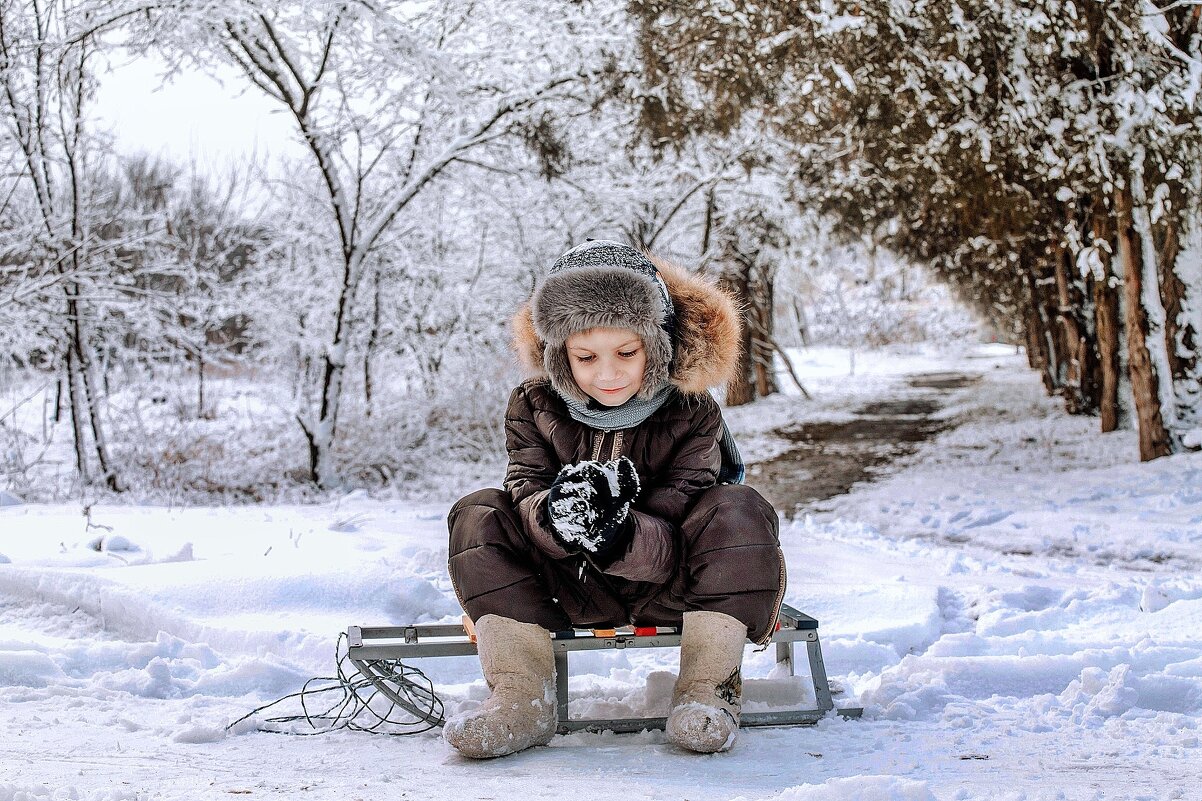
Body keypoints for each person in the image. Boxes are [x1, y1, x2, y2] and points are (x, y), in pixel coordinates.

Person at [444, 240, 786, 758]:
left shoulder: (691, 412)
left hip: (672, 585)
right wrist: (557, 519)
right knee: (479, 513)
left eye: (627, 352)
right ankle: (522, 700)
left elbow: (682, 512)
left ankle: (707, 692)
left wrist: (618, 535)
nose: (608, 373)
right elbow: (525, 487)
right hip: (565, 587)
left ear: (658, 343)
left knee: (738, 508)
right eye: (586, 357)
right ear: (560, 356)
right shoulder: (532, 405)